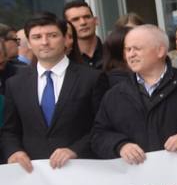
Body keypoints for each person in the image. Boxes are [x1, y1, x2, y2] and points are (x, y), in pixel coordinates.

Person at [89, 25, 177, 163]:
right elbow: (98, 135)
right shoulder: (115, 95)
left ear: (160, 51)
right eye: (127, 49)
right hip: (140, 181)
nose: (131, 54)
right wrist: (120, 145)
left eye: (137, 49)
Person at [2, 14, 109, 171]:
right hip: (35, 176)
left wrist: (76, 150)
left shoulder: (92, 78)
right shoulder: (15, 83)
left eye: (52, 36)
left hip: (83, 171)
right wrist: (14, 151)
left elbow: (104, 125)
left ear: (66, 39)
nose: (45, 42)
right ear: (29, 43)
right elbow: (9, 130)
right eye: (37, 37)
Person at [62, 0, 104, 69]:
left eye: (87, 17)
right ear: (67, 26)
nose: (83, 22)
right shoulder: (64, 61)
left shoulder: (113, 53)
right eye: (75, 19)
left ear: (95, 20)